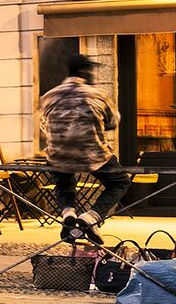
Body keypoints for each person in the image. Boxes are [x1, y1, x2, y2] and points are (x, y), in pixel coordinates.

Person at [40, 55, 120, 227]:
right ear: (86, 72)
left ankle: (68, 211)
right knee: (120, 182)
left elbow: (45, 123)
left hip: (58, 155)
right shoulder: (98, 95)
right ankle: (92, 216)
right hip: (92, 154)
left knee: (63, 181)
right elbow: (112, 123)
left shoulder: (48, 96)